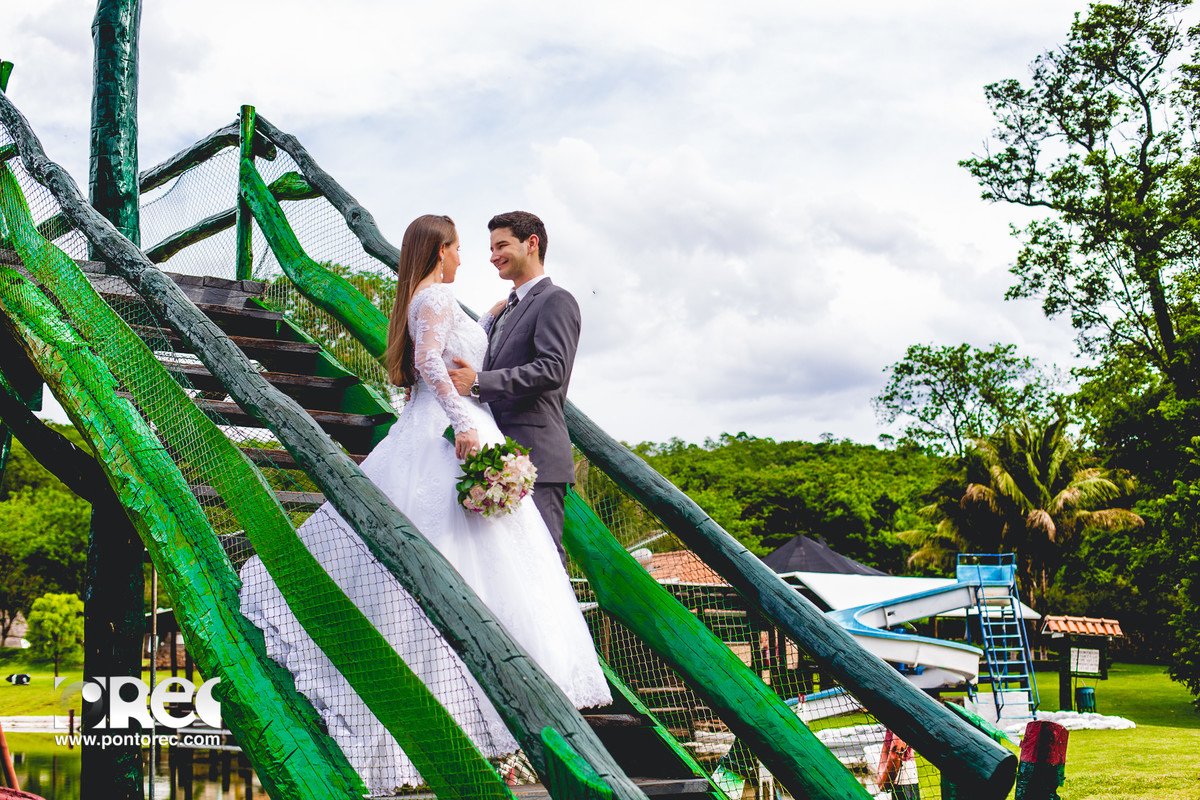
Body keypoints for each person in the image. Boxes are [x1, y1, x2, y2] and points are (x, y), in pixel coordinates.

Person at [238, 214, 611, 795]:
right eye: (467, 247)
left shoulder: (526, 302)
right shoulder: (439, 297)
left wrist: (480, 359)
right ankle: (487, 711)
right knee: (465, 559)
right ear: (441, 250)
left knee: (499, 566)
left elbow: (540, 369)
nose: (479, 258)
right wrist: (464, 418)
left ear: (530, 245)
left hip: (511, 442)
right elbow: (433, 364)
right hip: (460, 432)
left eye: (498, 247)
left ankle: (512, 717)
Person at [448, 211, 580, 566]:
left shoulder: (556, 300)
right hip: (495, 456)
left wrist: (479, 382)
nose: (493, 256)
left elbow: (552, 368)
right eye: (491, 248)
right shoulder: (503, 311)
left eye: (501, 245)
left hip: (537, 456)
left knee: (543, 563)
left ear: (532, 243)